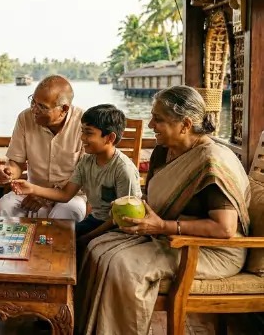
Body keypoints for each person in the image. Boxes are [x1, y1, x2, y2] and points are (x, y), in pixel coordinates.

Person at [75, 86, 251, 335]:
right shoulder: (165, 151)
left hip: (211, 249)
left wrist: (162, 227)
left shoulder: (211, 162)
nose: (150, 124)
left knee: (121, 264)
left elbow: (224, 228)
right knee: (97, 247)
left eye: (158, 119)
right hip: (169, 236)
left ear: (185, 124)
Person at [10, 104, 142, 246]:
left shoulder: (123, 169)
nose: (82, 138)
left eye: (89, 133)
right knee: (57, 237)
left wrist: (87, 237)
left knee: (73, 242)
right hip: (95, 220)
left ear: (109, 138)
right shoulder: (86, 161)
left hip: (116, 226)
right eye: (82, 131)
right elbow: (65, 195)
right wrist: (32, 188)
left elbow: (124, 218)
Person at [0, 75, 87, 221]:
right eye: (33, 102)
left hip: (72, 195)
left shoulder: (84, 124)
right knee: (2, 207)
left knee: (69, 211)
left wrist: (45, 196)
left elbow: (86, 179)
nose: (34, 110)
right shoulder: (25, 118)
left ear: (64, 109)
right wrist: (8, 172)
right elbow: (16, 163)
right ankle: (18, 245)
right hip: (31, 190)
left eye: (42, 107)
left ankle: (57, 245)